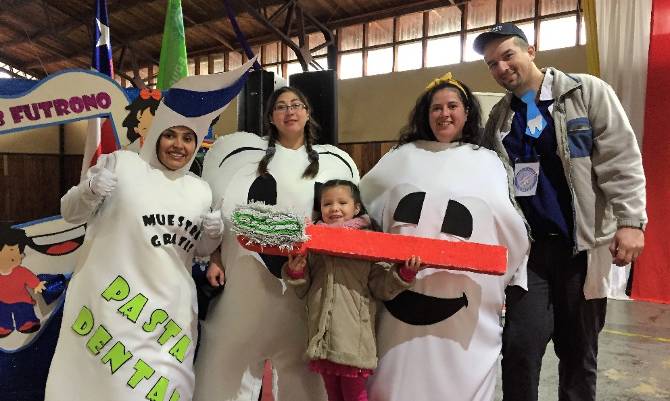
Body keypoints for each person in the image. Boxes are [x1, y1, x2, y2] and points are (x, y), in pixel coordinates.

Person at [44, 62, 254, 401]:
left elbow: (194, 249)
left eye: (188, 138)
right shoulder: (122, 165)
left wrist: (213, 235)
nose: (178, 145)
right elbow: (70, 213)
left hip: (169, 318)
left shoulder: (199, 189)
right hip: (114, 310)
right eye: (171, 134)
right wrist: (90, 190)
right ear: (156, 134)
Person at [473, 23, 647, 401]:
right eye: (492, 64)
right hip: (529, 255)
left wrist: (631, 221)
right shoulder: (499, 119)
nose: (501, 68)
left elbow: (621, 158)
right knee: (519, 349)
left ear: (531, 50)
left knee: (578, 353)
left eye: (507, 56)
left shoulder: (585, 93)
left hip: (581, 249)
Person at [360, 73, 529, 401]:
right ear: (426, 114)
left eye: (452, 106)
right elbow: (362, 202)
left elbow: (507, 220)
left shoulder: (488, 162)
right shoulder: (400, 157)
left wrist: (512, 266)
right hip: (400, 290)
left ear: (467, 113)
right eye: (436, 107)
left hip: (464, 300)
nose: (444, 113)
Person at [195, 87, 359, 401]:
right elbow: (219, 215)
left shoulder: (332, 164)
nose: (289, 112)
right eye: (281, 107)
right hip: (243, 289)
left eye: (296, 105)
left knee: (303, 376)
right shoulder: (241, 160)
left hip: (303, 291)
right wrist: (215, 255)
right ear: (271, 117)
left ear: (307, 112)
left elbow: (347, 223)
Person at [283, 179, 423, 401]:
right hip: (323, 336)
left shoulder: (369, 242)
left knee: (355, 395)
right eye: (327, 204)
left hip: (353, 337)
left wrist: (403, 274)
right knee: (333, 394)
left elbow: (381, 286)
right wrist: (296, 272)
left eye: (342, 202)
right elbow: (303, 289)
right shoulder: (313, 241)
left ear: (356, 207)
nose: (334, 208)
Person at [0, 225, 46, 337]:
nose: (18, 256)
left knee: (25, 311)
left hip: (21, 298)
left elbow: (29, 277)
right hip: (2, 300)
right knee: (2, 313)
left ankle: (26, 322)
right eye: (11, 250)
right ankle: (4, 326)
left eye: (17, 251)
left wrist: (37, 285)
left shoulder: (20, 271)